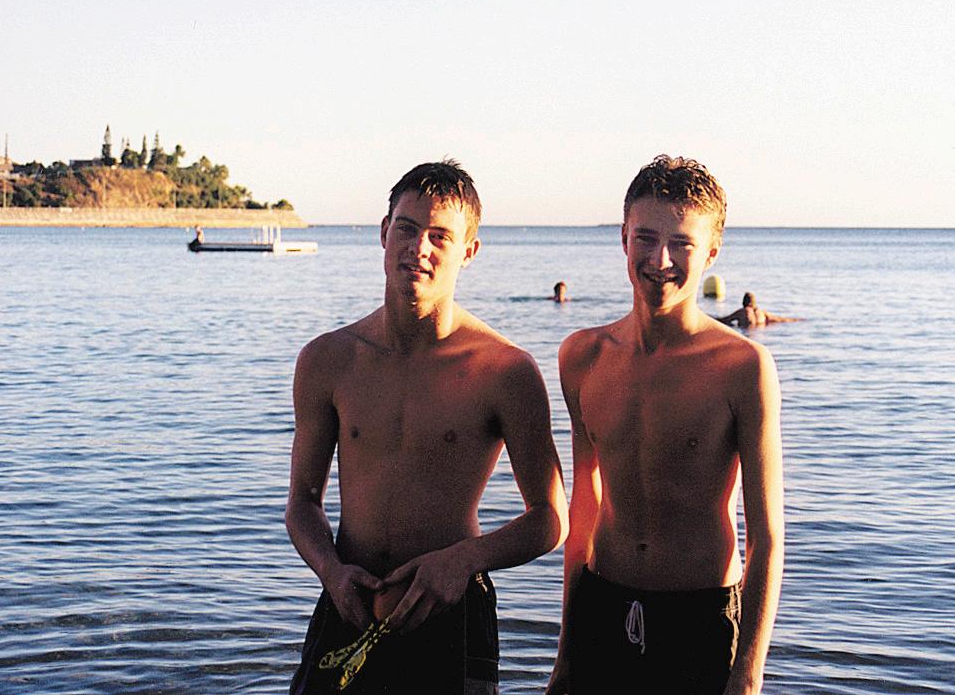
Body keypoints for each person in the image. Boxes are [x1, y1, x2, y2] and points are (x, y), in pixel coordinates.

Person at [287, 160, 569, 694]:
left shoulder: (504, 370)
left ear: (469, 251)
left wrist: (462, 562)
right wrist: (331, 572)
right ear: (384, 233)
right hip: (349, 600)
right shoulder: (328, 360)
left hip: (453, 610)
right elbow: (302, 502)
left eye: (440, 236)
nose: (419, 248)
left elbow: (550, 518)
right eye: (407, 228)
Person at [547, 155, 785, 695]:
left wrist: (747, 674)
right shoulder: (582, 356)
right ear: (623, 238)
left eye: (682, 243)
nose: (661, 260)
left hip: (699, 618)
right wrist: (566, 653)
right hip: (603, 605)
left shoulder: (742, 367)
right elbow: (583, 510)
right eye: (646, 238)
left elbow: (766, 537)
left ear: (711, 252)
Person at [718, 292, 802, 328]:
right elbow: (781, 320)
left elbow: (725, 320)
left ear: (744, 302)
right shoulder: (762, 313)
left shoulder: (742, 311)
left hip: (746, 331)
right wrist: (797, 320)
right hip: (759, 332)